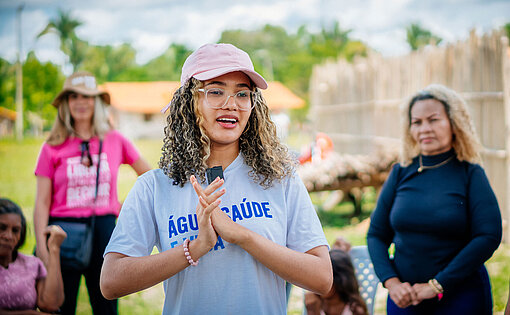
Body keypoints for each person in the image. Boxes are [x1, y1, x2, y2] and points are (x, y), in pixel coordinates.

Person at [100, 43, 333, 314]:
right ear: (189, 101)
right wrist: (197, 248)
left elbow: (323, 278)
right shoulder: (154, 187)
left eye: (242, 94)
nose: (230, 104)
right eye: (215, 91)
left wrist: (243, 236)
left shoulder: (281, 179)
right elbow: (111, 281)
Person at [367, 84, 502, 314]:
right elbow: (377, 234)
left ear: (454, 123)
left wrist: (437, 285)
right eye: (417, 122)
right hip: (405, 299)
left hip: (461, 296)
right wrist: (392, 283)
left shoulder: (470, 174)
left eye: (433, 119)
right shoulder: (400, 172)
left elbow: (488, 235)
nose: (424, 129)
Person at [33, 71, 151, 314]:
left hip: (104, 230)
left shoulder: (115, 139)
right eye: (73, 96)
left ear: (96, 102)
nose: (80, 102)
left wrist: (124, 208)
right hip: (61, 233)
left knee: (105, 305)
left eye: (87, 97)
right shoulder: (52, 146)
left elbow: (149, 178)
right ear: (66, 103)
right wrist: (43, 248)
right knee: (60, 306)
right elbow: (42, 203)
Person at [0, 198, 66, 313]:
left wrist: (54, 250)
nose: (8, 236)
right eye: (2, 228)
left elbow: (51, 304)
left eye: (15, 230)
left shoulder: (32, 264)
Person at [305, 238, 368, 315]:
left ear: (341, 281)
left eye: (325, 279)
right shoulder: (315, 302)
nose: (318, 283)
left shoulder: (354, 309)